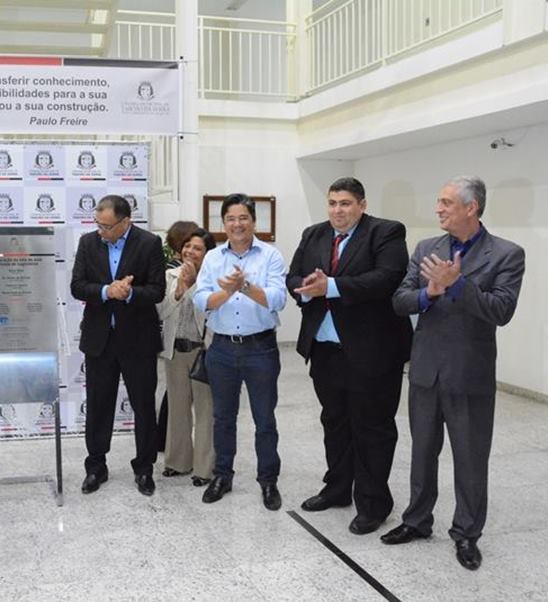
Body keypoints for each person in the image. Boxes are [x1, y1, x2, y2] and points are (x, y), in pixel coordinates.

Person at [382, 176, 525, 571]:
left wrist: (458, 283)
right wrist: (431, 293)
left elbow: (502, 310)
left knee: (470, 458)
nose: (438, 209)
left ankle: (466, 533)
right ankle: (416, 521)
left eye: (446, 202)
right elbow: (399, 301)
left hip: (470, 375)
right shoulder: (427, 248)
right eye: (438, 202)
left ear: (471, 207)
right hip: (426, 370)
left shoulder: (507, 255)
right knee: (422, 452)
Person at [287, 177, 412, 535]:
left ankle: (374, 504)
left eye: (345, 203)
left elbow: (387, 279)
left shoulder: (386, 233)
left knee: (372, 429)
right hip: (325, 350)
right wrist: (307, 289)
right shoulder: (314, 234)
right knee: (335, 422)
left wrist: (333, 286)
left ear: (362, 204)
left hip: (372, 352)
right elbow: (293, 276)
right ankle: (338, 489)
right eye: (332, 203)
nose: (337, 210)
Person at [193, 193, 287, 508]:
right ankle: (223, 475)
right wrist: (228, 290)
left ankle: (268, 480)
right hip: (220, 349)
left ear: (253, 221)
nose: (237, 224)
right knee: (223, 418)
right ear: (223, 223)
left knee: (265, 419)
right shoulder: (212, 258)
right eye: (230, 219)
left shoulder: (270, 256)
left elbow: (277, 299)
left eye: (243, 218)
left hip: (260, 348)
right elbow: (202, 301)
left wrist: (245, 287)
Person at [71, 194, 166, 496]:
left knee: (143, 407)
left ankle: (144, 468)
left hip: (138, 340)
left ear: (126, 222)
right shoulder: (88, 243)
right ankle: (96, 466)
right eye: (98, 224)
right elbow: (76, 286)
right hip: (100, 340)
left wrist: (128, 294)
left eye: (108, 226)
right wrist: (105, 291)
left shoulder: (149, 243)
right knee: (99, 407)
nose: (102, 231)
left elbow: (157, 290)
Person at [157, 228, 216, 487]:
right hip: (174, 351)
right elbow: (161, 311)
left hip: (202, 351)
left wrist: (192, 287)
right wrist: (179, 291)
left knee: (205, 411)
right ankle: (177, 462)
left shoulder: (213, 279)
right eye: (188, 246)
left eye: (198, 248)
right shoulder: (170, 274)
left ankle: (204, 468)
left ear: (208, 254)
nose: (190, 252)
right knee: (178, 409)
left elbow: (205, 312)